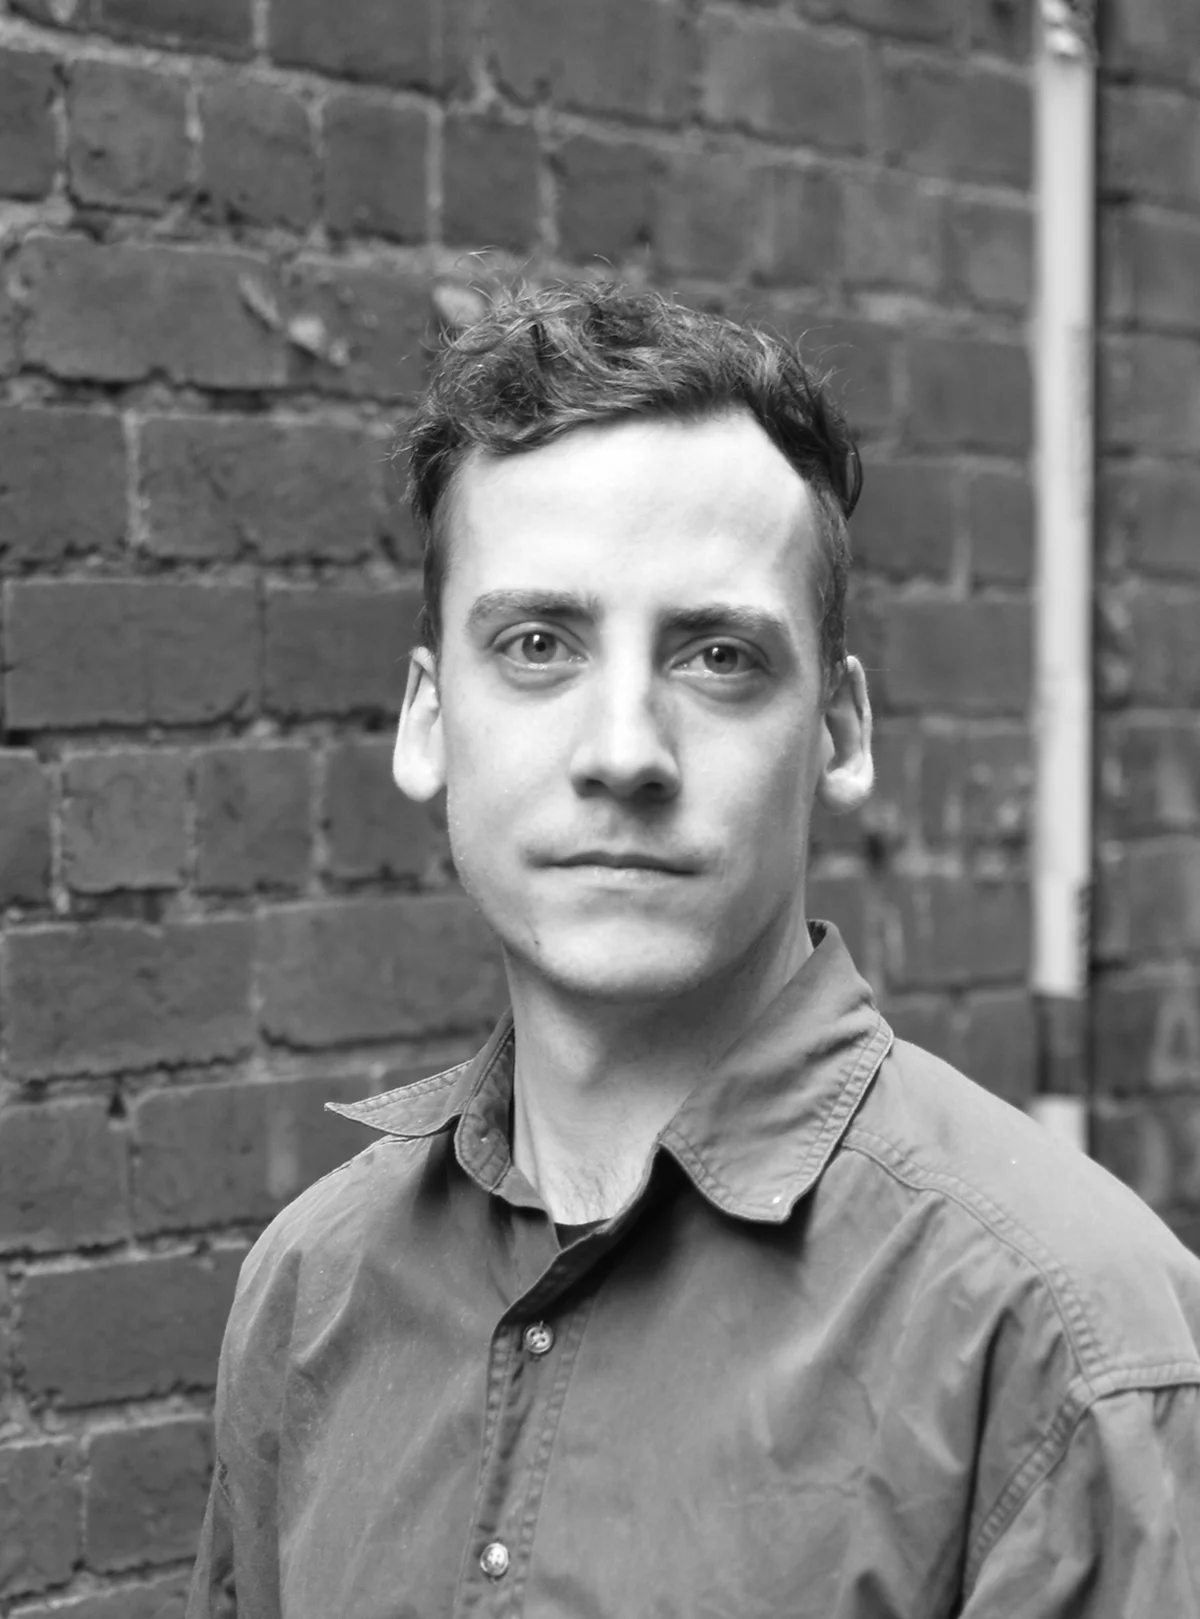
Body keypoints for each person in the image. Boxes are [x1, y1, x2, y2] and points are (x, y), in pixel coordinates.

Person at [188, 283, 1200, 1618]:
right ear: (429, 717)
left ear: (840, 730)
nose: (623, 750)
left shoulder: (1069, 1343)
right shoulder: (310, 1288)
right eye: (537, 643)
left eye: (718, 655)